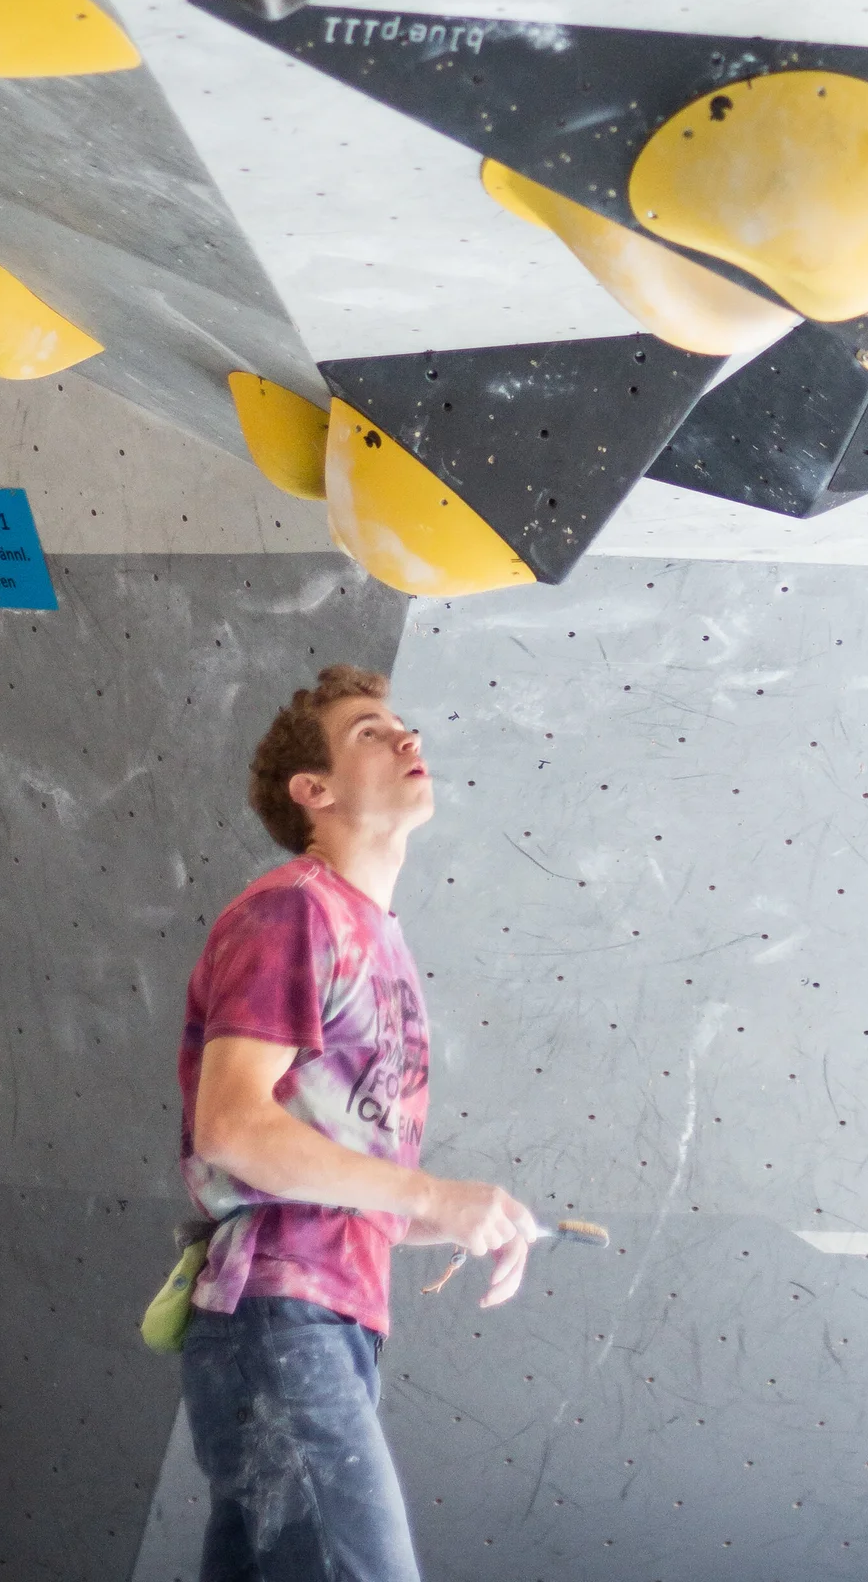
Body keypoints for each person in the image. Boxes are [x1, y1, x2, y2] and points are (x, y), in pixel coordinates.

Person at [176, 662, 536, 1582]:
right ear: (315, 791)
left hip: (325, 1320)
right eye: (373, 732)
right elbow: (232, 1130)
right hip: (281, 1321)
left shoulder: (379, 936)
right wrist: (431, 1191)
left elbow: (326, 1184)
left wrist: (459, 1216)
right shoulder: (294, 909)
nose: (409, 740)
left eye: (404, 725)